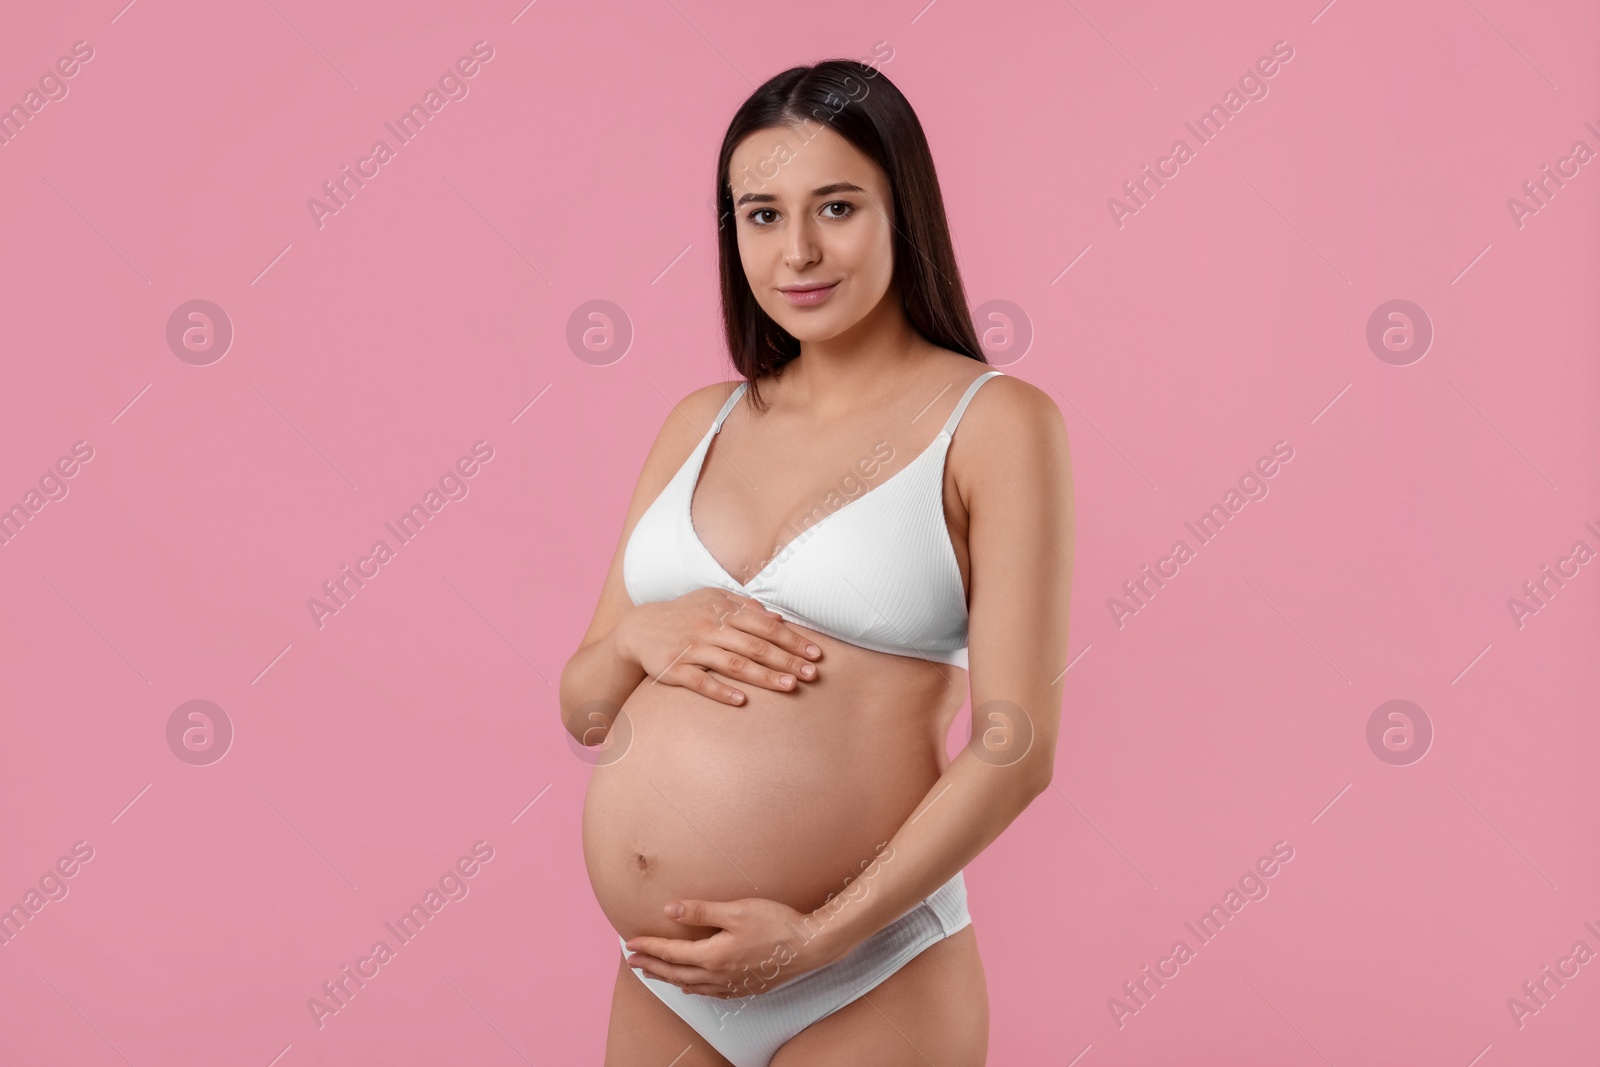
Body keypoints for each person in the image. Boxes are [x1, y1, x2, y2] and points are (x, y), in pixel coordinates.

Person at [560, 58, 1075, 1067]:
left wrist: (814, 937)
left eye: (834, 206)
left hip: (865, 974)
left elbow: (1016, 747)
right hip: (666, 975)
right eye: (760, 214)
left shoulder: (995, 423)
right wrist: (634, 636)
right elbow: (584, 707)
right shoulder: (698, 421)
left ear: (902, 210)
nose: (796, 249)